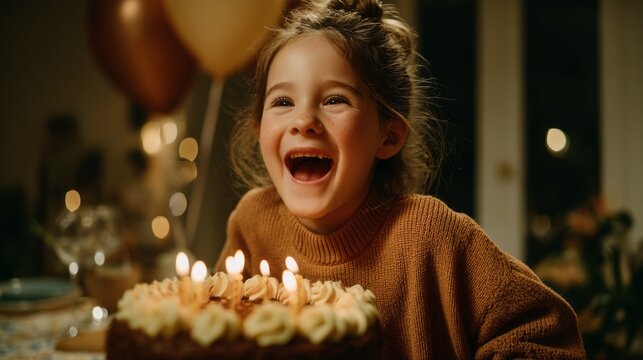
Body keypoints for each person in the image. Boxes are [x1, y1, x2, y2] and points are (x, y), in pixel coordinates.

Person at [215, 0, 586, 358]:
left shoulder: (432, 236)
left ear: (388, 136)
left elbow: (547, 333)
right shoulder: (252, 223)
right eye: (282, 102)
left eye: (334, 101)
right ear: (258, 128)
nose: (303, 121)